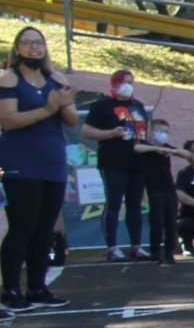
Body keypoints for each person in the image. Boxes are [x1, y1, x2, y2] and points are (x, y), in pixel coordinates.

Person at [0, 26, 77, 309]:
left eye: (39, 43)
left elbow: (70, 121)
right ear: (17, 48)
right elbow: (8, 121)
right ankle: (10, 290)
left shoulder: (55, 77)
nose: (34, 48)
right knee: (23, 226)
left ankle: (37, 288)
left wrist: (64, 104)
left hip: (52, 159)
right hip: (20, 160)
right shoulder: (9, 77)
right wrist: (46, 109)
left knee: (45, 228)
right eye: (27, 43)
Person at [81, 67, 149, 258]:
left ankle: (137, 246)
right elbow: (86, 131)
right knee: (114, 203)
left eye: (130, 82)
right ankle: (112, 247)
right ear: (114, 84)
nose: (127, 86)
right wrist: (111, 133)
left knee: (135, 204)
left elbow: (144, 133)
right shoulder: (102, 105)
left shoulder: (139, 106)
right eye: (123, 82)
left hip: (137, 162)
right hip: (113, 162)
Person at [136, 115, 183, 264]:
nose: (163, 134)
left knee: (171, 221)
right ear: (151, 132)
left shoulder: (167, 148)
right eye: (160, 131)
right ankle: (155, 252)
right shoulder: (146, 146)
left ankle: (169, 252)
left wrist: (172, 152)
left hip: (169, 189)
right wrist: (157, 149)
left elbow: (187, 154)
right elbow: (137, 148)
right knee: (157, 221)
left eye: (166, 132)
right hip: (154, 189)